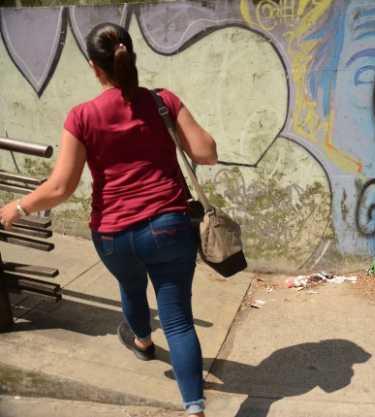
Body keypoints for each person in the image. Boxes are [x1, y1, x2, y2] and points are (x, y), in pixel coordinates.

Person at [0, 22, 216, 416]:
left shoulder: (81, 116)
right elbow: (206, 152)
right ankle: (195, 409)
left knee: (132, 290)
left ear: (94, 66)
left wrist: (16, 208)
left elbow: (61, 186)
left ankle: (143, 343)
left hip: (113, 234)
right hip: (169, 227)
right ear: (130, 55)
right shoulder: (162, 101)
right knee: (180, 321)